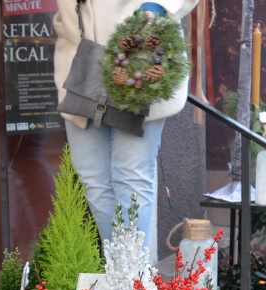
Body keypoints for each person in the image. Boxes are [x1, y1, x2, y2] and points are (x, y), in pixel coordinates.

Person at [53, 0, 198, 257]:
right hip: (80, 52)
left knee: (132, 178)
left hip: (139, 56)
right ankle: (123, 270)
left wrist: (157, 8)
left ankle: (130, 275)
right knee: (93, 181)